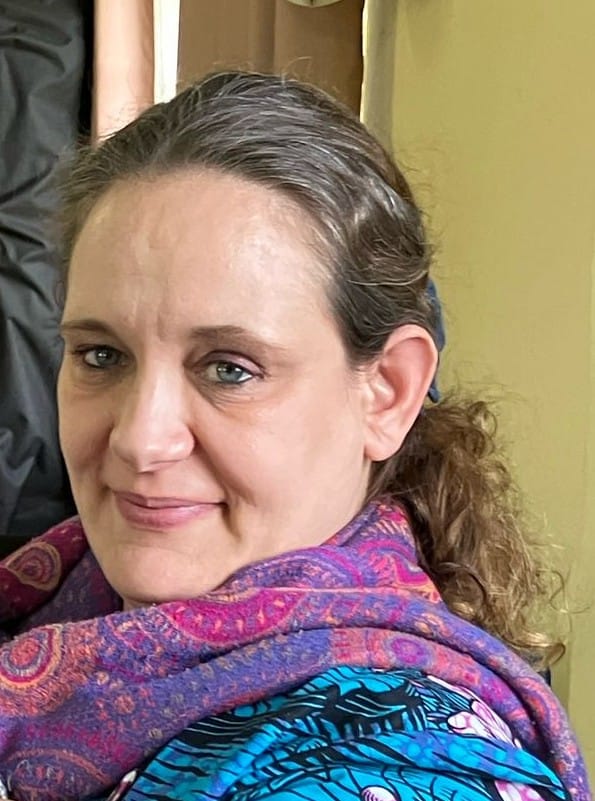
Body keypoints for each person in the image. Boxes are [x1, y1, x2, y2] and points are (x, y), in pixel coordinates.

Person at [0, 71, 589, 801]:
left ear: (387, 392)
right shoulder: (57, 595)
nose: (140, 441)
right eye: (101, 355)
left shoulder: (393, 759)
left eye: (230, 369)